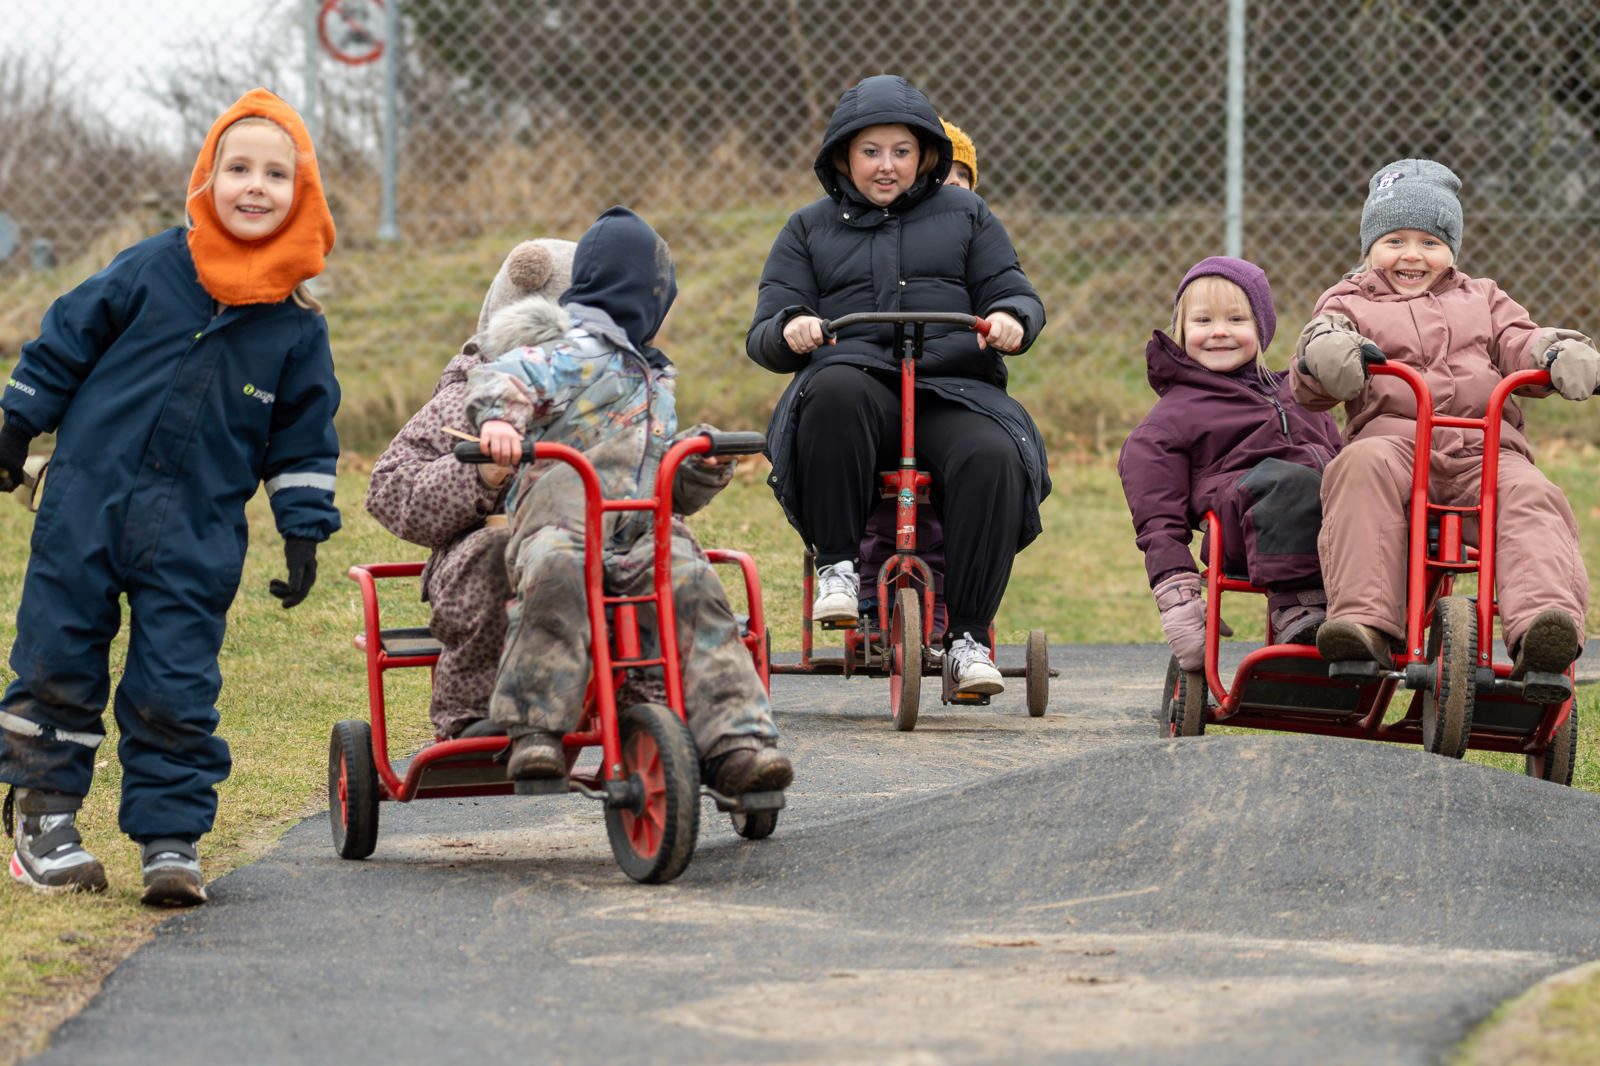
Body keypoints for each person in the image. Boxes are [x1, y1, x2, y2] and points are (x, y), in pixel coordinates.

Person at [0, 88, 341, 905]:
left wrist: (302, 529)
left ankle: (169, 837)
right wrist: (16, 422)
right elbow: (65, 341)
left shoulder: (296, 329)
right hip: (84, 506)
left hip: (195, 532)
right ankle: (43, 820)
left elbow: (303, 438)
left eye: (275, 174)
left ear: (303, 196)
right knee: (58, 659)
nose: (255, 186)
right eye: (238, 168)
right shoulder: (156, 267)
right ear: (206, 178)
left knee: (176, 685)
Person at [466, 206, 793, 798]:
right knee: (558, 572)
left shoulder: (654, 379)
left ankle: (737, 743)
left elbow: (661, 481)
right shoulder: (565, 351)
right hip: (559, 524)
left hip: (639, 532)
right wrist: (501, 424)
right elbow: (502, 378)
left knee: (694, 583)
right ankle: (535, 728)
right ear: (641, 295)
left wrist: (698, 466)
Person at [746, 74, 1049, 697]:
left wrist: (1015, 320)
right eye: (871, 152)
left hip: (951, 388)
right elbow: (766, 330)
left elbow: (1012, 289)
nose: (887, 167)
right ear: (842, 157)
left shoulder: (968, 214)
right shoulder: (807, 228)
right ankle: (837, 565)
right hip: (858, 388)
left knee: (993, 454)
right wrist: (791, 327)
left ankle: (967, 635)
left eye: (902, 151)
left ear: (927, 156)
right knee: (831, 391)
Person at [1292, 158, 1596, 693]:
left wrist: (1558, 351)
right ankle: (1362, 623)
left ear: (1452, 249)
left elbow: (1521, 339)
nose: (1412, 255)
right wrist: (1327, 353)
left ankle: (1544, 629)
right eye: (1394, 240)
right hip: (1397, 445)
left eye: (1430, 242)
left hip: (1486, 450)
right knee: (1357, 468)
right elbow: (1316, 355)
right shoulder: (1350, 301)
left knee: (1532, 494)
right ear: (1369, 247)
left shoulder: (1483, 297)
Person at [366, 237, 576, 740]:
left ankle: (667, 703)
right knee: (497, 554)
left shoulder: (603, 398)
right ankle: (473, 713)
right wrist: (478, 475)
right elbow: (388, 488)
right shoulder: (464, 398)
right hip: (487, 546)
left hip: (581, 542)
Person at [1118, 257, 1343, 672]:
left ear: (1261, 328)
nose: (1219, 331)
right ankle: (1296, 607)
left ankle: (1377, 610)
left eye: (1236, 319)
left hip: (1329, 521)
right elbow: (1157, 516)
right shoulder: (1175, 415)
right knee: (1288, 479)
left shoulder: (1298, 393)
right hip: (1245, 521)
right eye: (1203, 320)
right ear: (1181, 332)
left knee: (1361, 476)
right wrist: (1178, 597)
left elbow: (1338, 455)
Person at [856, 117, 978, 638]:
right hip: (889, 395)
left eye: (958, 186)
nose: (944, 197)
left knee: (957, 503)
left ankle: (950, 615)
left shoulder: (973, 239)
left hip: (951, 393)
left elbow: (1004, 305)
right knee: (881, 504)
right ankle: (868, 599)